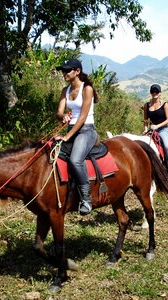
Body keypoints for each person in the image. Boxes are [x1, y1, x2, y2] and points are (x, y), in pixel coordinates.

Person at [55, 58, 98, 215]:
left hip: (86, 130)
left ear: (77, 72)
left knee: (75, 160)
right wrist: (63, 116)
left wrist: (67, 137)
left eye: (67, 70)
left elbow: (83, 117)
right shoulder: (65, 90)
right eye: (63, 70)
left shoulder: (87, 89)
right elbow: (59, 112)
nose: (64, 73)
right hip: (72, 129)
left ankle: (86, 199)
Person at [143, 84, 168, 180]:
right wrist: (145, 130)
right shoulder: (146, 105)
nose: (154, 93)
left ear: (160, 93)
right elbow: (145, 120)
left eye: (156, 91)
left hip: (163, 129)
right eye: (153, 91)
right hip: (151, 129)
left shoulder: (165, 105)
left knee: (167, 146)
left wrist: (157, 126)